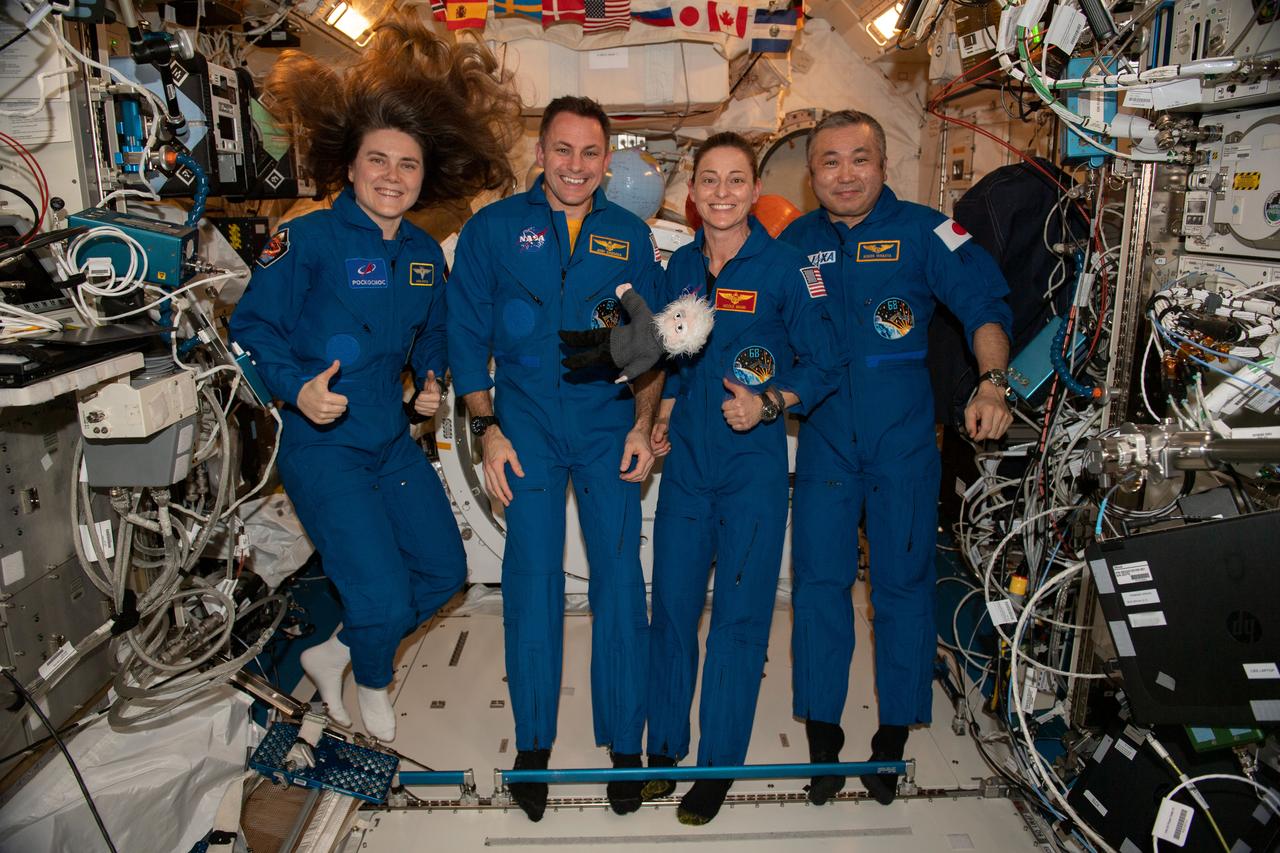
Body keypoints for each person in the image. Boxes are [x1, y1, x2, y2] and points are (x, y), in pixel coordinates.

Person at [229, 18, 520, 743]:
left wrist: (430, 377)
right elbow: (251, 331)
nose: (393, 176)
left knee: (442, 571)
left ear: (426, 175)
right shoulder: (307, 239)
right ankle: (371, 675)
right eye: (378, 160)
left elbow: (436, 330)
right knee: (380, 590)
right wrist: (296, 388)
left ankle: (336, 653)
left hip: (389, 442)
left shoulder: (424, 252)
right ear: (351, 167)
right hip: (321, 447)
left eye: (408, 165)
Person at [779, 110, 1014, 805]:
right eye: (830, 161)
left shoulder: (925, 231)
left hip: (905, 439)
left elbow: (984, 307)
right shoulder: (795, 242)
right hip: (824, 437)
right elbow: (755, 321)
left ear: (883, 165)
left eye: (860, 159)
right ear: (811, 172)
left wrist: (993, 382)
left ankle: (892, 733)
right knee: (819, 584)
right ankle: (823, 737)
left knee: (903, 586)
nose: (845, 174)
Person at [445, 96, 666, 821]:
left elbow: (650, 344)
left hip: (605, 426)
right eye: (562, 150)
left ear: (608, 161)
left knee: (619, 583)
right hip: (527, 427)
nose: (576, 165)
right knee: (530, 579)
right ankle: (534, 743)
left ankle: (624, 747)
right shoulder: (493, 229)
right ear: (540, 153)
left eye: (590, 152)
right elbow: (466, 333)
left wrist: (642, 422)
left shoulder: (630, 236)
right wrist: (488, 427)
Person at [642, 133, 843, 825]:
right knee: (669, 607)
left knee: (738, 619)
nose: (721, 191)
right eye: (708, 180)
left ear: (756, 190)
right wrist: (662, 411)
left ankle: (717, 765)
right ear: (692, 194)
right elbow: (669, 356)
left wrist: (771, 402)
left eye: (735, 179)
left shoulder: (789, 269)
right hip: (688, 469)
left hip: (752, 470)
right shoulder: (680, 269)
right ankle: (664, 748)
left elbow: (823, 365)